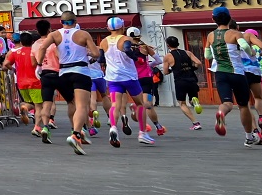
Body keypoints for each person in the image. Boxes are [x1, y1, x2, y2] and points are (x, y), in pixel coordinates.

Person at [33, 11, 98, 154]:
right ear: (75, 21)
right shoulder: (83, 34)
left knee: (69, 102)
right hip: (80, 72)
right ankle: (76, 133)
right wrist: (88, 53)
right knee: (80, 106)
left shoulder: (55, 35)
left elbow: (43, 47)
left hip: (63, 73)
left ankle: (79, 133)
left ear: (61, 22)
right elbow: (96, 54)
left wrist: (39, 65)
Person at [206, 7, 259, 143]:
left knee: (227, 103)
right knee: (243, 106)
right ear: (229, 18)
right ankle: (248, 136)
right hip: (237, 73)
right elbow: (245, 47)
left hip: (220, 74)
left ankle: (221, 113)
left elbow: (207, 55)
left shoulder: (210, 36)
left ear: (213, 19)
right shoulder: (235, 34)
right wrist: (252, 53)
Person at [101, 18, 155, 147]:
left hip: (113, 78)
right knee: (140, 104)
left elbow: (101, 58)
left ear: (108, 28)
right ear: (123, 27)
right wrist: (136, 57)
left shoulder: (103, 41)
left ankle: (113, 127)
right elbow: (126, 49)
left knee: (115, 104)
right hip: (129, 77)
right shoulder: (126, 39)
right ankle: (142, 133)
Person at [3, 32, 42, 131]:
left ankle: (24, 107)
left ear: (21, 41)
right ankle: (37, 127)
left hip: (21, 82)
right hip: (35, 82)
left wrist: (13, 69)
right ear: (32, 42)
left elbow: (6, 64)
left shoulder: (16, 52)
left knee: (29, 102)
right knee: (38, 105)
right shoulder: (34, 51)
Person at [163, 35, 204, 130]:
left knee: (182, 103)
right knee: (192, 98)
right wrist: (193, 68)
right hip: (192, 79)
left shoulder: (168, 56)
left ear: (168, 45)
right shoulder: (187, 52)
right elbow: (198, 62)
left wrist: (171, 70)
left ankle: (195, 122)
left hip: (180, 81)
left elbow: (165, 71)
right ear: (178, 43)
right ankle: (194, 102)